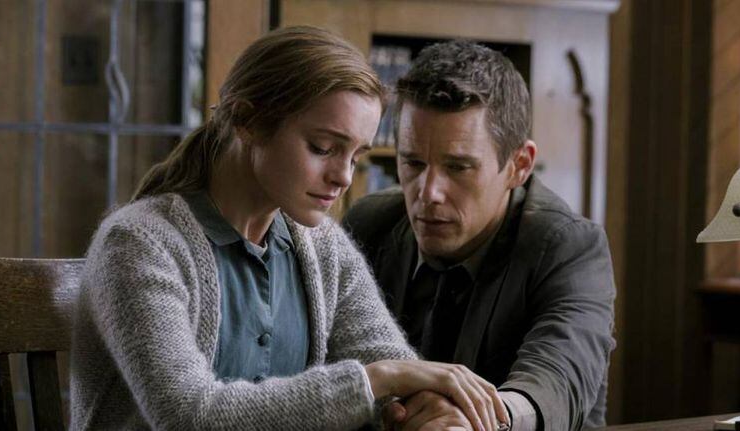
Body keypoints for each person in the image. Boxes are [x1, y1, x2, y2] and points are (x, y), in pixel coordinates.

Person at [70, 27, 507, 430]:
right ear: (248, 121)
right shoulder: (138, 244)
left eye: (356, 156)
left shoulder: (323, 246)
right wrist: (375, 380)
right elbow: (187, 415)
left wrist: (435, 410)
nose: (344, 177)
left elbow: (393, 366)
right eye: (323, 147)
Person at [344, 40, 616, 430]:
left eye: (458, 167)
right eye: (413, 163)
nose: (428, 193)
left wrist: (479, 417)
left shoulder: (569, 246)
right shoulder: (369, 224)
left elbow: (558, 380)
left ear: (519, 165)